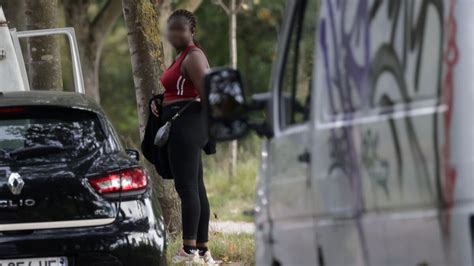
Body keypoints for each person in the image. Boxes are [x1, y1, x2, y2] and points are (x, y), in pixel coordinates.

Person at [151, 9, 215, 264]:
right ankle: (202, 250)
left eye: (180, 29)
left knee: (187, 189)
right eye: (171, 29)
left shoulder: (194, 56)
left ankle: (188, 251)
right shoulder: (184, 56)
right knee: (196, 188)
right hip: (184, 125)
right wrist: (159, 102)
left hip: (186, 127)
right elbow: (181, 90)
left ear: (191, 31)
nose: (174, 33)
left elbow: (207, 95)